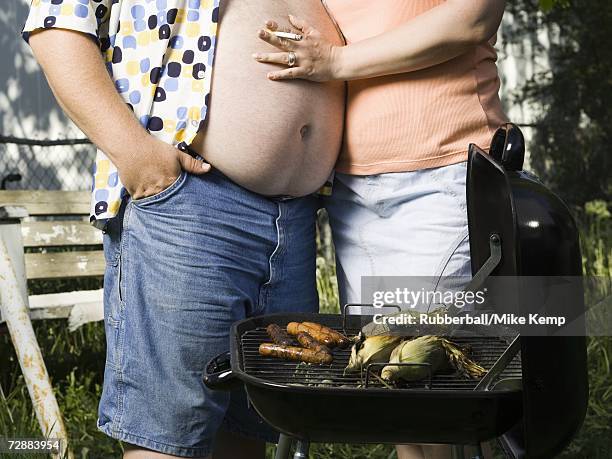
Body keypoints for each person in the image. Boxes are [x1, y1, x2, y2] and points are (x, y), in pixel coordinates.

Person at [21, 1, 344, 458]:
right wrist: (138, 157)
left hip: (293, 221)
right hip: (190, 203)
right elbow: (57, 22)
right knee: (167, 438)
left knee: (248, 430)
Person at [254, 1, 507, 458]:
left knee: (437, 386)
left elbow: (473, 17)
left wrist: (335, 63)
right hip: (352, 190)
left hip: (441, 175)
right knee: (393, 379)